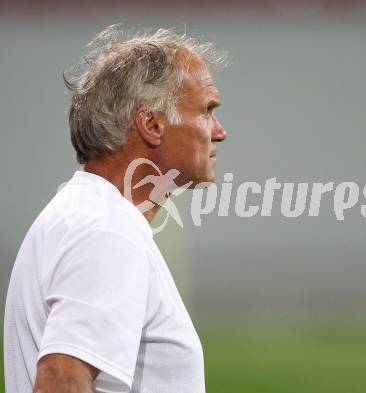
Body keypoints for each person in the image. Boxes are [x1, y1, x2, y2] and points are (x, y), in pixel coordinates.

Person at [3, 25, 227, 393]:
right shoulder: (106, 231)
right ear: (152, 123)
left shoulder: (90, 216)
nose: (219, 131)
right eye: (206, 111)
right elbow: (61, 382)